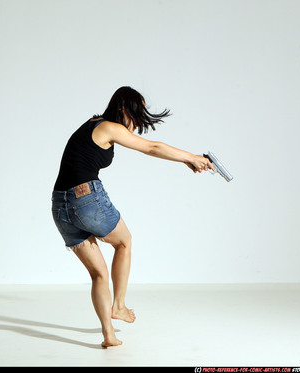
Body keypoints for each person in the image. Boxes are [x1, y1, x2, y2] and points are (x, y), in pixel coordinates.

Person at [51, 86, 214, 348]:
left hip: (60, 206)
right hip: (85, 199)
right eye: (137, 111)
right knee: (124, 241)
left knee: (99, 274)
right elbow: (151, 147)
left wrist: (185, 161)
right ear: (125, 108)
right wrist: (192, 157)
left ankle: (108, 335)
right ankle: (119, 305)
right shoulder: (109, 128)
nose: (137, 121)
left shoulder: (92, 125)